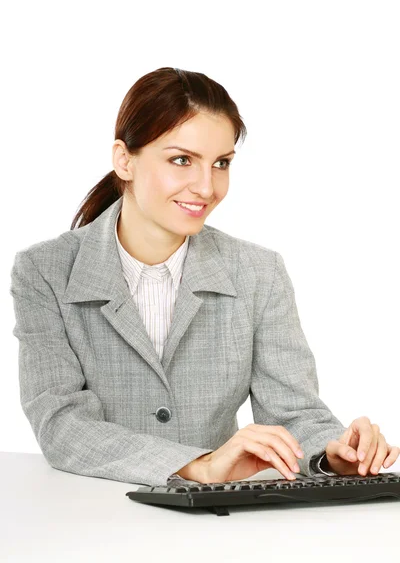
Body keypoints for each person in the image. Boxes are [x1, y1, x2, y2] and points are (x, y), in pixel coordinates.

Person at [10, 67, 399, 487]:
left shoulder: (257, 272)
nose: (206, 186)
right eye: (182, 160)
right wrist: (199, 465)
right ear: (124, 159)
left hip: (216, 525)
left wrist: (333, 454)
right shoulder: (45, 271)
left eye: (221, 164)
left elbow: (293, 412)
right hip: (90, 514)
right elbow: (62, 425)